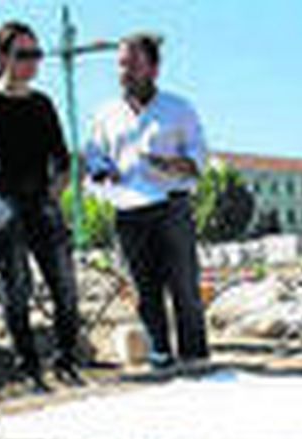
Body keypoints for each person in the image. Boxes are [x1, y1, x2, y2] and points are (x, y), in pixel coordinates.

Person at [0, 21, 82, 390]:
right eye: (23, 54)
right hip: (2, 205)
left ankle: (65, 360)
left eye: (36, 54)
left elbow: (62, 158)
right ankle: (28, 368)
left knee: (65, 287)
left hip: (40, 202)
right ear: (1, 57)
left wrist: (55, 194)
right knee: (16, 289)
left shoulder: (42, 104)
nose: (32, 62)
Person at [85, 32, 209, 370]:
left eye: (134, 64)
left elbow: (199, 155)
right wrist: (101, 172)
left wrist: (173, 164)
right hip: (127, 208)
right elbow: (94, 155)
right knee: (143, 287)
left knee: (183, 284)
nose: (125, 72)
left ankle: (195, 355)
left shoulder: (178, 109)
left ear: (154, 68)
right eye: (121, 65)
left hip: (170, 204)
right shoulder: (106, 114)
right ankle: (159, 353)